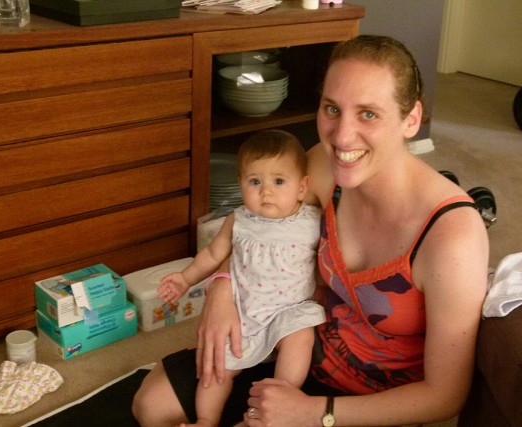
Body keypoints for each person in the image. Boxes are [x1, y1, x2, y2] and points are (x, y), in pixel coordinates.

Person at [133, 34, 489, 427]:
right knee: (153, 403)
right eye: (332, 109)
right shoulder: (323, 168)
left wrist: (314, 413)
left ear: (411, 119)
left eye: (368, 114)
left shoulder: (452, 235)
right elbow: (262, 227)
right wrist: (221, 288)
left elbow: (445, 396)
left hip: (374, 403)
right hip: (301, 348)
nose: (342, 136)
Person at [153, 129, 325, 427]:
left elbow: (325, 263)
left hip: (289, 310)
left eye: (278, 181)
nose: (266, 191)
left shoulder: (311, 220)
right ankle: (206, 419)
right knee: (216, 365)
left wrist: (321, 291)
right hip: (244, 311)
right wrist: (185, 278)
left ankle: (278, 400)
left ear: (302, 187)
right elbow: (212, 254)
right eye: (255, 181)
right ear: (240, 184)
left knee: (301, 336)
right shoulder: (239, 220)